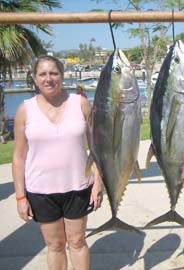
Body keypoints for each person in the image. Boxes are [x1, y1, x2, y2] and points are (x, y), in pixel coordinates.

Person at [12, 55, 103, 270]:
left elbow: (96, 149)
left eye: (53, 73)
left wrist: (97, 184)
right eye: (42, 74)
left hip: (78, 187)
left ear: (62, 76)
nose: (49, 78)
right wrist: (20, 197)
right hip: (40, 191)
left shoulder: (80, 103)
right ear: (35, 78)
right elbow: (18, 157)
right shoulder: (25, 109)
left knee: (77, 241)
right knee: (54, 245)